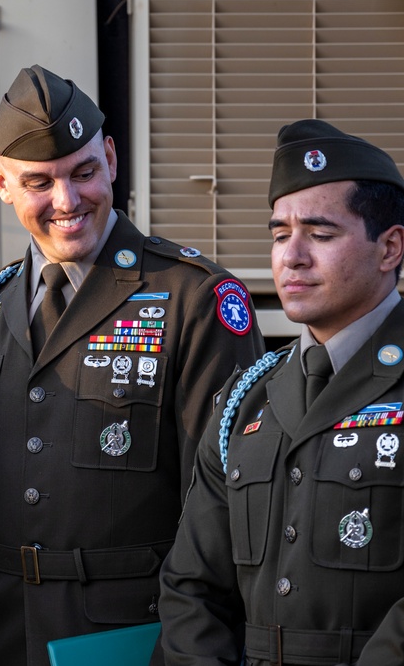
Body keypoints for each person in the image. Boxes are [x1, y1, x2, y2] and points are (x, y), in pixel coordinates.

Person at [0, 64, 266, 666]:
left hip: (130, 640)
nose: (67, 202)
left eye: (84, 172)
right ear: (0, 182)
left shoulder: (193, 299)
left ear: (113, 159)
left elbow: (224, 511)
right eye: (39, 183)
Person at [157, 118, 404, 665]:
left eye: (320, 234)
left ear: (389, 248)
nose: (292, 256)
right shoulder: (248, 398)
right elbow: (193, 588)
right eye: (279, 233)